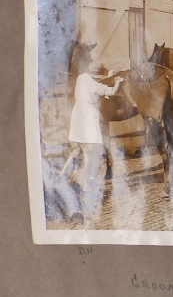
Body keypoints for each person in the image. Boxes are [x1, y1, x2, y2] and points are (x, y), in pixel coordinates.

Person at [52, 58, 124, 224]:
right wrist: (117, 82)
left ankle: (63, 175)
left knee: (78, 147)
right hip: (89, 115)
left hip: (78, 113)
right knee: (92, 151)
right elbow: (111, 91)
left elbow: (95, 79)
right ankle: (87, 185)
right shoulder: (96, 85)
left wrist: (107, 74)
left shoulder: (82, 78)